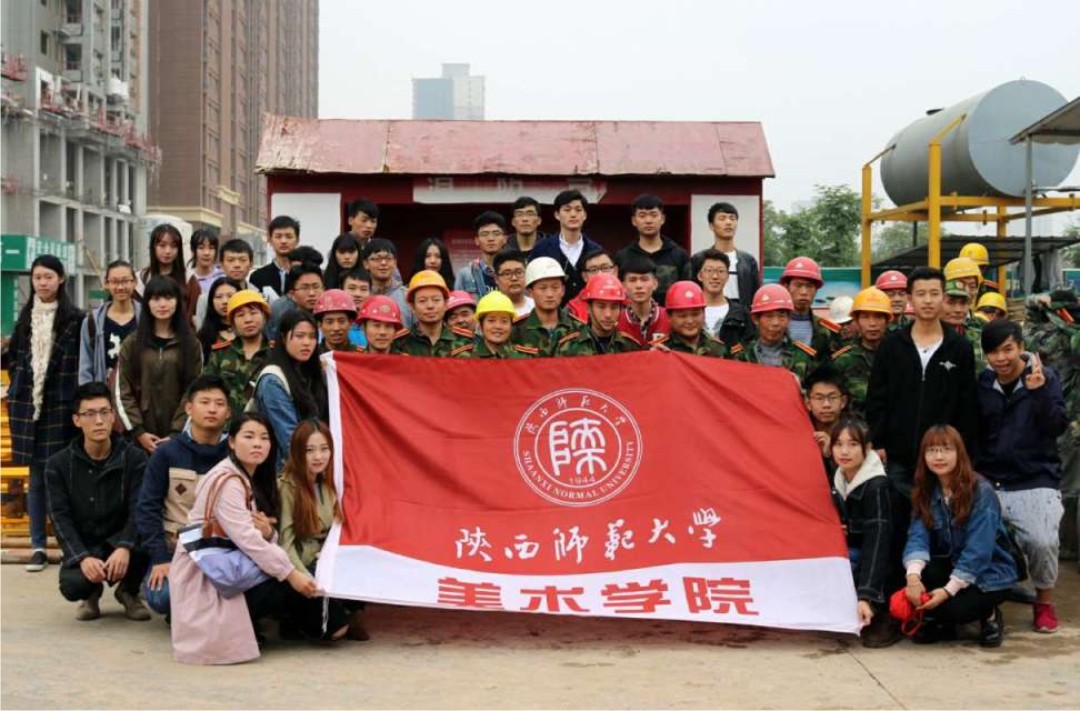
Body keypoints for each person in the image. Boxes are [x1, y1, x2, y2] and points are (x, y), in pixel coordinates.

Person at [170, 414, 343, 665]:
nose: (257, 444)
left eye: (264, 438)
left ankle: (319, 621)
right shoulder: (228, 481)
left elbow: (260, 534)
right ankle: (309, 622)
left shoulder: (248, 476)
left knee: (314, 601)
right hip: (208, 574)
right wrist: (291, 574)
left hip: (232, 564)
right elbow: (249, 540)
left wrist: (269, 534)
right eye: (249, 437)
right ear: (231, 442)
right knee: (291, 586)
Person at [975, 319, 1068, 633]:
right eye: (993, 352)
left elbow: (1057, 426)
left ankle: (1044, 601)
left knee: (1042, 541)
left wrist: (1038, 393)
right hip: (989, 478)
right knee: (974, 536)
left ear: (1021, 348)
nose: (1000, 358)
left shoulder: (1045, 378)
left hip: (1035, 476)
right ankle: (988, 601)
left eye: (1007, 350)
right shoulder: (983, 383)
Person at [866, 266, 978, 498]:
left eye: (934, 293)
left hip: (943, 455)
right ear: (910, 298)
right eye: (921, 294)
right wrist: (878, 442)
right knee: (898, 513)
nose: (928, 300)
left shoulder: (959, 347)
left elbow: (967, 404)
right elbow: (877, 397)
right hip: (897, 456)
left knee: (940, 514)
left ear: (943, 297)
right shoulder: (892, 345)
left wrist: (962, 449)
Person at [902, 425, 1018, 647]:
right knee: (914, 582)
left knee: (955, 610)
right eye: (931, 450)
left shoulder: (980, 491)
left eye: (946, 449)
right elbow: (917, 537)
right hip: (951, 562)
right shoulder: (926, 490)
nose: (938, 457)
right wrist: (913, 579)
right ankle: (944, 620)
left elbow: (978, 552)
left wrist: (947, 592)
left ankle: (990, 613)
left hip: (989, 573)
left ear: (959, 453)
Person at [45, 381, 151, 621]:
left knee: (148, 537)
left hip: (123, 543)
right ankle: (90, 594)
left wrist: (124, 546)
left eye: (104, 412)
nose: (99, 421)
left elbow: (139, 508)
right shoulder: (58, 465)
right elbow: (60, 519)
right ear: (77, 420)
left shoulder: (135, 458)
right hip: (87, 543)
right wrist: (82, 557)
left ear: (113, 416)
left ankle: (129, 591)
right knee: (73, 585)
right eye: (90, 414)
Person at [5, 255, 84, 571]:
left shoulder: (76, 319)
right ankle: (38, 545)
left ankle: (68, 545)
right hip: (29, 408)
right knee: (36, 479)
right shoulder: (25, 318)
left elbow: (80, 362)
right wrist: (18, 385)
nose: (42, 283)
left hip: (62, 407)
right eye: (37, 277)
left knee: (65, 478)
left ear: (61, 279)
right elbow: (14, 358)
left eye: (48, 276)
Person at [135, 375, 230, 617]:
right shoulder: (166, 453)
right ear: (189, 408)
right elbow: (147, 508)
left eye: (219, 404)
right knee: (163, 598)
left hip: (222, 549)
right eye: (204, 402)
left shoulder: (235, 454)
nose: (212, 409)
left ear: (228, 412)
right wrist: (160, 559)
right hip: (175, 549)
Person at [278, 420, 365, 640]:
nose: (318, 456)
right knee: (336, 631)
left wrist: (331, 552)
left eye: (324, 449)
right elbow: (285, 543)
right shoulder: (287, 486)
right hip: (304, 566)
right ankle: (293, 617)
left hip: (328, 559)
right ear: (298, 452)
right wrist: (303, 577)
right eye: (309, 450)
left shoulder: (331, 481)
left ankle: (351, 612)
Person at [828, 417, 904, 648]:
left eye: (853, 444)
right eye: (838, 444)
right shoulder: (840, 477)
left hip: (889, 562)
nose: (844, 451)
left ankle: (885, 612)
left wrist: (867, 596)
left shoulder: (878, 486)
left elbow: (879, 543)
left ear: (868, 448)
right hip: (857, 552)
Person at [116, 277, 202, 454]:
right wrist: (138, 431)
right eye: (155, 299)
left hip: (180, 437)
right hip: (138, 439)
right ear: (147, 303)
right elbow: (122, 390)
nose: (162, 304)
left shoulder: (191, 344)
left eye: (169, 298)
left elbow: (195, 390)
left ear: (177, 302)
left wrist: (177, 431)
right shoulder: (132, 343)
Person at [252, 310, 327, 470]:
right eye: (299, 336)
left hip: (315, 462)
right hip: (286, 471)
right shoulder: (273, 380)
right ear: (283, 337)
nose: (307, 343)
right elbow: (289, 438)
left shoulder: (314, 373)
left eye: (312, 336)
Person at [202, 290, 272, 422]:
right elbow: (204, 389)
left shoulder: (276, 353)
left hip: (263, 427)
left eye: (253, 313)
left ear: (264, 316)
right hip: (224, 427)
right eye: (240, 315)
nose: (248, 320)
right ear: (232, 323)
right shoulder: (220, 353)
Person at [614, 195, 689, 307]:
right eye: (642, 216)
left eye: (654, 215)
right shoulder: (623, 257)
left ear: (662, 219)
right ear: (634, 221)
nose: (648, 221)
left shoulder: (679, 255)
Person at [530, 190, 603, 304]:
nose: (573, 214)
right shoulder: (541, 249)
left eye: (578, 210)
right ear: (557, 215)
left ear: (584, 215)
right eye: (567, 210)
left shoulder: (596, 251)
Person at [730, 284, 817, 380]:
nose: (776, 323)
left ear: (789, 319)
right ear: (755, 319)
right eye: (769, 316)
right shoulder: (740, 355)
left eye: (781, 316)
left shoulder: (803, 356)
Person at [831, 287, 893, 417]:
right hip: (855, 427)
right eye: (865, 317)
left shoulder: (900, 355)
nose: (872, 324)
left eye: (878, 317)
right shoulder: (843, 360)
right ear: (857, 321)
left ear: (887, 321)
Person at [79, 259, 142, 385]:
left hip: (139, 392)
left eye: (125, 281)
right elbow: (85, 366)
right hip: (104, 391)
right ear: (106, 284)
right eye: (114, 282)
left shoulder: (146, 318)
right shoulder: (92, 322)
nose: (120, 287)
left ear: (135, 282)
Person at [193, 237, 275, 329]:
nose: (237, 265)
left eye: (242, 260)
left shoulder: (261, 297)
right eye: (230, 260)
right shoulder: (206, 299)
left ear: (251, 264)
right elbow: (201, 332)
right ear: (221, 265)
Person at [554, 273, 644, 356]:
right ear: (589, 308)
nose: (608, 314)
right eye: (601, 307)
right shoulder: (568, 347)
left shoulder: (630, 346)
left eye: (614, 307)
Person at [690, 202, 760, 304]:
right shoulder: (699, 259)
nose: (728, 222)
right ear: (711, 226)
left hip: (741, 312)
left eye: (732, 218)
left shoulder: (748, 261)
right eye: (722, 218)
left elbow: (755, 295)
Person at [393, 271, 474, 357]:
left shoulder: (467, 341)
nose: (430, 306)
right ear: (412, 306)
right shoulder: (398, 343)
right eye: (422, 301)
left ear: (445, 304)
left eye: (436, 300)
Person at [511, 258, 576, 356]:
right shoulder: (515, 331)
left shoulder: (579, 329)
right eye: (543, 288)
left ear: (563, 290)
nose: (550, 294)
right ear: (530, 292)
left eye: (555, 287)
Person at [779, 256, 841, 355]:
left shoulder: (827, 330)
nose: (804, 292)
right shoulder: (769, 326)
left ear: (816, 290)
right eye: (798, 285)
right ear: (786, 287)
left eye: (809, 286)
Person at [651, 282, 727, 357]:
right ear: (669, 317)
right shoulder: (659, 348)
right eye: (682, 316)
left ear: (704, 314)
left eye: (695, 314)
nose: (690, 321)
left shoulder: (719, 348)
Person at [696, 249, 754, 347]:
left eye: (721, 271)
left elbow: (749, 345)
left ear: (727, 276)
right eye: (709, 270)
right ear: (700, 276)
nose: (715, 276)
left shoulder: (741, 314)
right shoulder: (689, 311)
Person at [138, 224, 197, 315]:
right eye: (162, 245)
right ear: (153, 247)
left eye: (173, 246)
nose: (168, 251)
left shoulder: (188, 278)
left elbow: (193, 313)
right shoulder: (142, 278)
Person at [465, 292, 537, 359]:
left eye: (504, 321)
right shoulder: (466, 357)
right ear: (481, 325)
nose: (498, 326)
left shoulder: (524, 357)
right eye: (491, 321)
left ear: (511, 325)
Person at [455, 211, 509, 300]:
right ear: (477, 240)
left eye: (496, 233)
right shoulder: (465, 274)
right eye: (484, 234)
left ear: (505, 239)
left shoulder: (514, 273)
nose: (491, 238)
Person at [617, 256, 670, 344]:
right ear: (623, 286)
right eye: (632, 280)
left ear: (655, 284)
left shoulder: (669, 319)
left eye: (644, 279)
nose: (639, 286)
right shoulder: (616, 321)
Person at [266, 263, 324, 342]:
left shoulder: (331, 319)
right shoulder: (284, 322)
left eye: (316, 287)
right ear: (292, 294)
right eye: (305, 288)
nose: (312, 293)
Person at [362, 238, 412, 328]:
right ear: (366, 264)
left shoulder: (407, 296)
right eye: (377, 259)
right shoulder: (360, 295)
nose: (383, 263)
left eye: (388, 258)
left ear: (395, 263)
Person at [804, 367, 849, 465]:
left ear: (843, 402)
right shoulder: (801, 433)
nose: (826, 404)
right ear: (808, 403)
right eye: (819, 398)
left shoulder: (856, 433)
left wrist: (831, 453)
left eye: (832, 397)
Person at [942, 279, 986, 373]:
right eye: (951, 302)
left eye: (963, 303)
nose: (958, 310)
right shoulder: (921, 337)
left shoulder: (979, 337)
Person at [249, 215, 300, 298]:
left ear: (297, 240)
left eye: (289, 236)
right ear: (269, 240)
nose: (283, 241)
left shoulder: (306, 274)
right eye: (278, 236)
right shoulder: (258, 276)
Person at [194, 277, 240, 363]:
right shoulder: (203, 337)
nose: (225, 301)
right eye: (218, 297)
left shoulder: (250, 330)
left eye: (230, 296)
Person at [566, 249, 618, 322]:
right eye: (593, 270)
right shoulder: (573, 308)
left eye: (605, 268)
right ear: (585, 276)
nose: (600, 274)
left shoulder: (630, 301)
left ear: (615, 271)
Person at [186, 228, 224, 308]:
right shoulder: (187, 278)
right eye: (201, 248)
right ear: (193, 250)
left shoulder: (223, 277)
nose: (206, 253)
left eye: (211, 248)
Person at [493, 249, 534, 317]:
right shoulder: (490, 309)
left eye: (519, 272)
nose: (514, 278)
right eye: (507, 274)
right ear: (496, 279)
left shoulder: (536, 307)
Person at [342, 267, 373, 350]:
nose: (358, 294)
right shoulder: (332, 323)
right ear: (341, 290)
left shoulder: (376, 323)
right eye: (352, 288)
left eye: (363, 289)